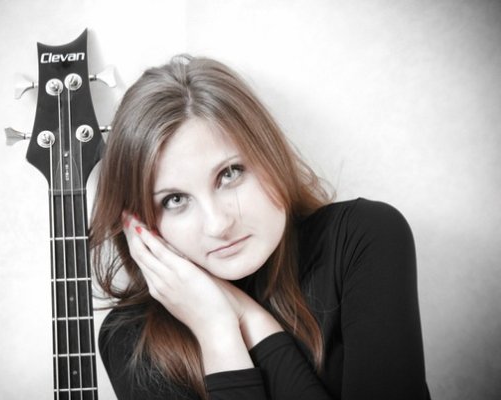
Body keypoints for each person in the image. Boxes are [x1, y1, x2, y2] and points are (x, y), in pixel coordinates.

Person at [90, 55, 430, 399]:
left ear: (269, 154)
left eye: (229, 174)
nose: (218, 224)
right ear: (140, 224)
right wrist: (217, 332)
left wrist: (251, 322)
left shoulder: (361, 239)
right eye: (174, 200)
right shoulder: (131, 339)